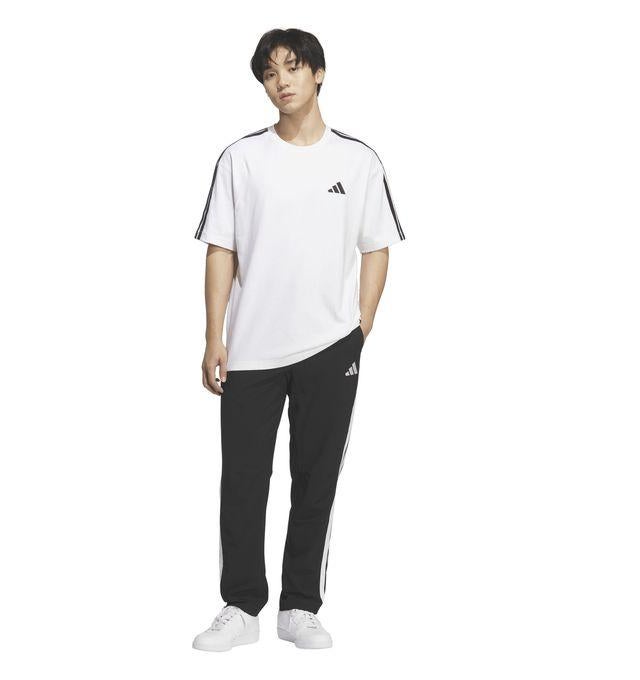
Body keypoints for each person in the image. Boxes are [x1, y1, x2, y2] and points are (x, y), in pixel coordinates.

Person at [192, 28, 406, 652]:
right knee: (243, 481)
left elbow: (376, 246)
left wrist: (360, 326)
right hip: (251, 348)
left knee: (316, 481)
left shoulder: (358, 161)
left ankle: (299, 606)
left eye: (292, 67)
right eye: (269, 72)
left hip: (330, 347)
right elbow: (221, 249)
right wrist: (213, 336)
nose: (281, 81)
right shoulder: (241, 159)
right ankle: (240, 606)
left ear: (318, 73)